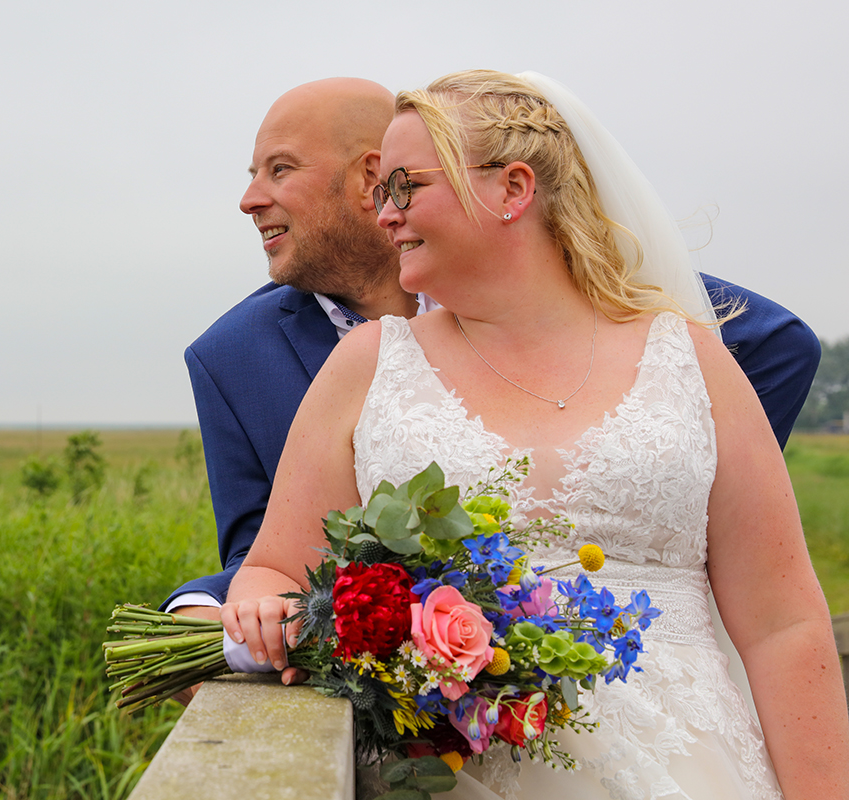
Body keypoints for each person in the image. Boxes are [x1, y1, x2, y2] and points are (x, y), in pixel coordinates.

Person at [221, 71, 848, 799]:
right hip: (454, 773)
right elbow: (271, 567)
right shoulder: (368, 366)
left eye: (404, 187)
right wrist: (261, 605)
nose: (384, 214)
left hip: (690, 768)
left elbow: (784, 625)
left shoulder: (690, 358)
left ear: (513, 189)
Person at [164, 78, 821, 625]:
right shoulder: (230, 358)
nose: (250, 199)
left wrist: (671, 521)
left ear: (370, 178)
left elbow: (775, 344)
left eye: (279, 169)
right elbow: (267, 558)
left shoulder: (556, 285)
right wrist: (199, 605)